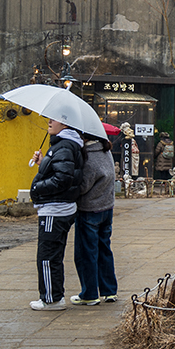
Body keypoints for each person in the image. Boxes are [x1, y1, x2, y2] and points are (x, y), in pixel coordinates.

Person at [28, 118, 85, 310]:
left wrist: (37, 187)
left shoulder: (65, 146)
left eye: (54, 119)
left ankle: (51, 299)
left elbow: (63, 179)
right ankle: (53, 296)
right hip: (57, 207)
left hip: (55, 208)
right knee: (52, 254)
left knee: (47, 255)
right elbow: (60, 172)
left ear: (66, 123)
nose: (49, 122)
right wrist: (43, 163)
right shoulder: (65, 145)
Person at [71, 133, 118, 305]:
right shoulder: (106, 151)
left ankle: (89, 294)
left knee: (86, 253)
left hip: (89, 210)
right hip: (107, 208)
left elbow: (84, 186)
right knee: (104, 250)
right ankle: (109, 291)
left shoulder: (88, 156)